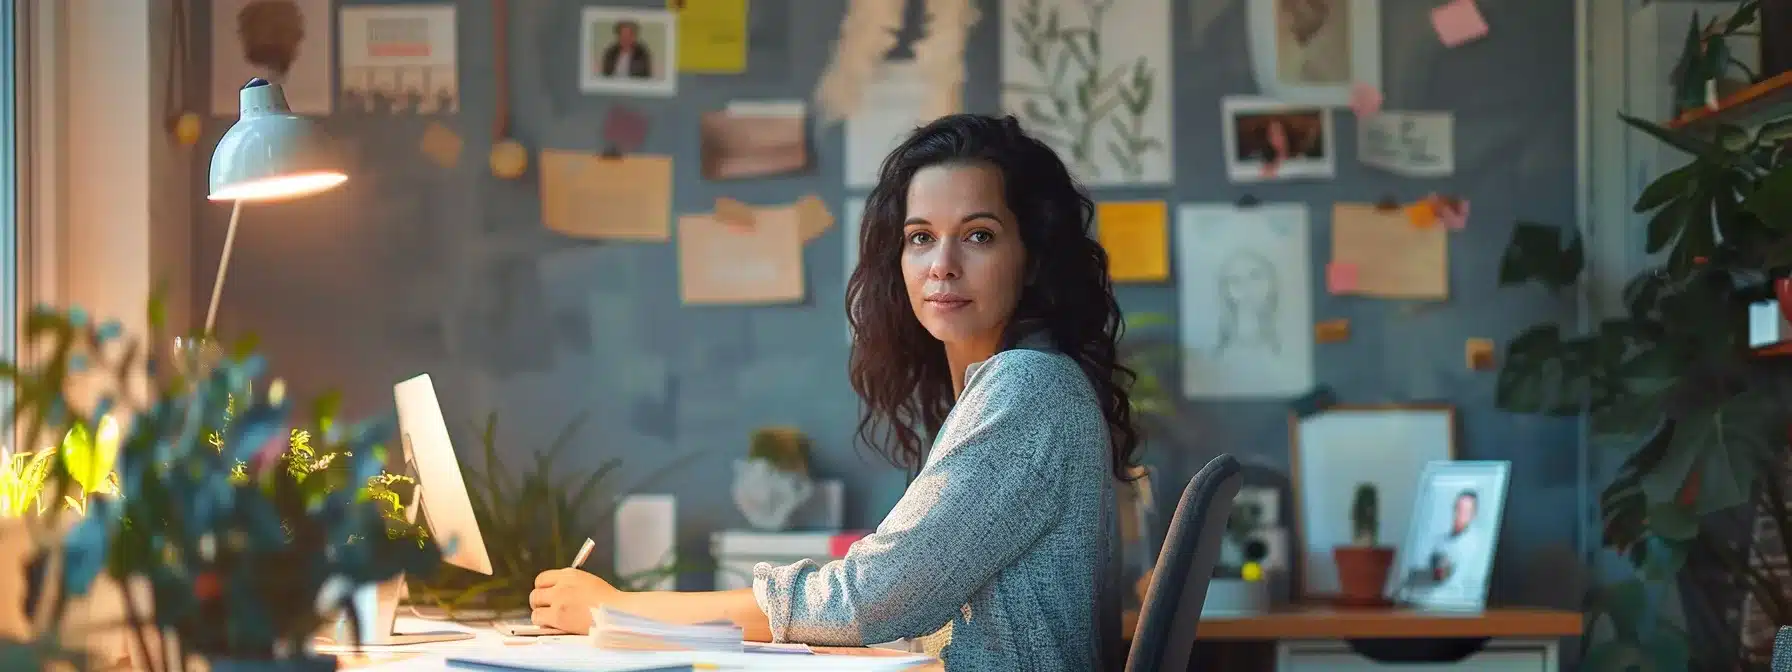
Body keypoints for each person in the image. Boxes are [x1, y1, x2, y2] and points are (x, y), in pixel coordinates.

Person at [529, 114, 1138, 670]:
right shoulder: (1012, 387)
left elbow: (871, 599)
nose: (941, 265)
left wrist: (618, 612)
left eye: (978, 235)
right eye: (920, 236)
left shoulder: (1027, 387)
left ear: (1031, 258)